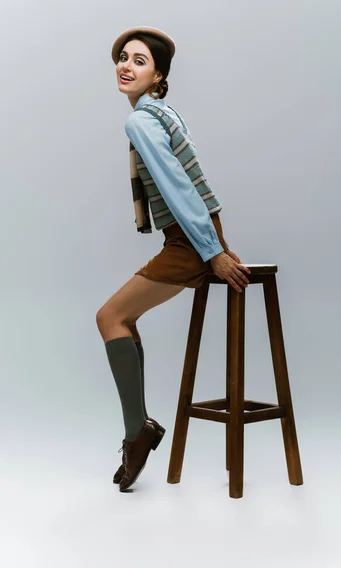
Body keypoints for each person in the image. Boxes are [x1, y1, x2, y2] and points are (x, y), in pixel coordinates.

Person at [96, 26, 251, 492]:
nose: (126, 65)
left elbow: (180, 188)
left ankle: (136, 433)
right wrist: (217, 240)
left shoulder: (141, 121)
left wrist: (212, 252)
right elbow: (196, 178)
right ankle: (138, 428)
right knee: (123, 318)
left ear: (158, 75)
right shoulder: (162, 113)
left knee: (110, 317)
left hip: (188, 242)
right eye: (123, 57)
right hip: (194, 237)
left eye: (139, 61)